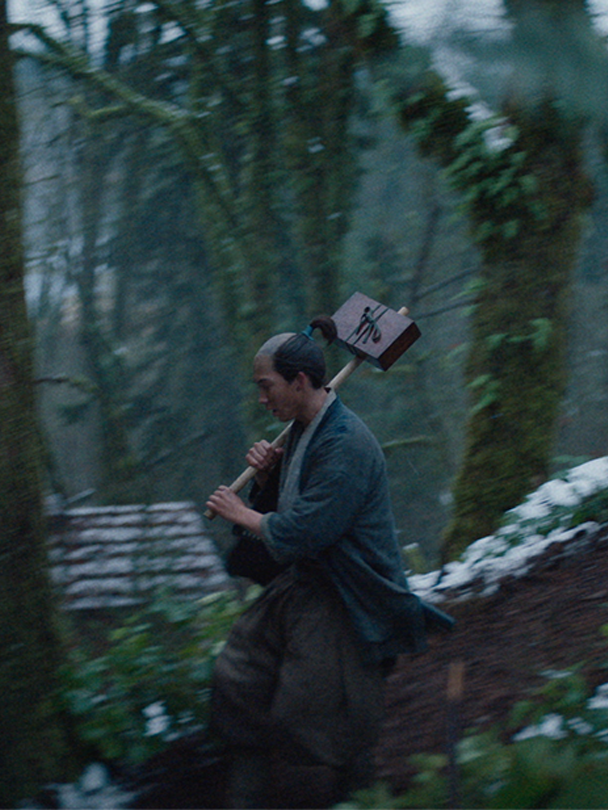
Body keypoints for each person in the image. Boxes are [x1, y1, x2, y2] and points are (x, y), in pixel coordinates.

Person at [205, 316, 454, 809]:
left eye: (266, 386)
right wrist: (267, 482)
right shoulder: (300, 430)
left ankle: (358, 791)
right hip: (302, 583)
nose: (262, 399)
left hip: (348, 592)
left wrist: (242, 511)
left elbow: (303, 532)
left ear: (299, 381)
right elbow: (289, 511)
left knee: (315, 714)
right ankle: (247, 788)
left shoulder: (346, 445)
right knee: (238, 677)